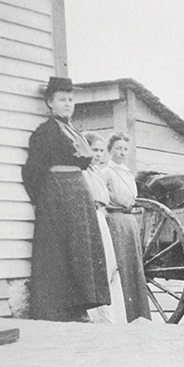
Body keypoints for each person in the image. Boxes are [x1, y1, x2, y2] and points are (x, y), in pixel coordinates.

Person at [21, 76, 110, 321]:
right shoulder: (46, 131)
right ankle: (63, 309)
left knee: (81, 248)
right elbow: (32, 170)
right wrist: (44, 199)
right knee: (61, 251)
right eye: (62, 99)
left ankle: (81, 305)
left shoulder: (73, 130)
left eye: (71, 99)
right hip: (57, 196)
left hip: (78, 193)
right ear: (50, 102)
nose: (68, 104)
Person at [100, 132, 152, 322]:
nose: (122, 152)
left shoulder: (127, 172)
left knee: (133, 268)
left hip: (130, 222)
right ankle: (123, 315)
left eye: (125, 149)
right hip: (115, 221)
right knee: (120, 266)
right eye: (118, 148)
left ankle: (137, 314)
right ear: (110, 151)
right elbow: (101, 200)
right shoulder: (106, 172)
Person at [83, 132, 128, 324]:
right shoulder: (83, 173)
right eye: (95, 150)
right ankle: (97, 315)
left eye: (101, 151)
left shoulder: (95, 173)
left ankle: (112, 316)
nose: (99, 154)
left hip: (101, 218)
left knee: (110, 267)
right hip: (90, 219)